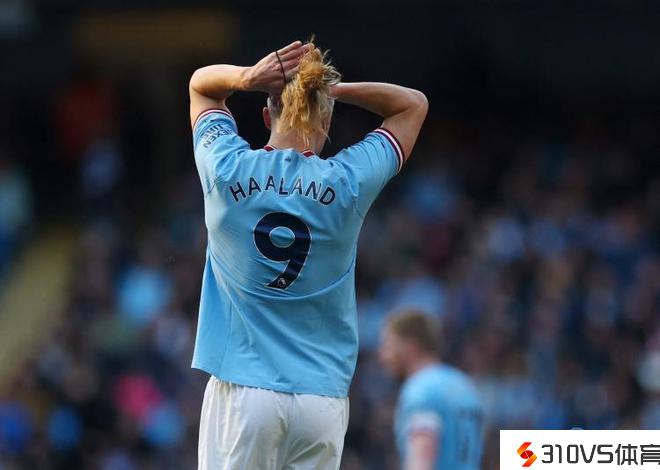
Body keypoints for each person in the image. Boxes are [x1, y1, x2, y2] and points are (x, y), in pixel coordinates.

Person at [188, 38, 427, 469]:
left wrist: (246, 78)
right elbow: (412, 105)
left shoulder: (225, 169)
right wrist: (332, 90)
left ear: (266, 115)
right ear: (327, 119)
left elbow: (201, 87)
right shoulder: (348, 182)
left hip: (245, 391)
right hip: (321, 400)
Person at [379, 309, 484, 470]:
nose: (383, 355)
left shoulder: (421, 390)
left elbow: (422, 459)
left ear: (411, 346)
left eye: (389, 345)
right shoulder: (465, 385)